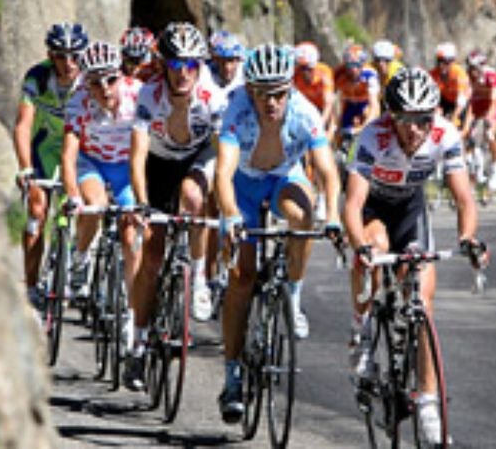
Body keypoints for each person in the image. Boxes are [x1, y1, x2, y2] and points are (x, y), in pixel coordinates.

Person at [343, 67, 484, 445]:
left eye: (423, 120)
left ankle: (427, 403)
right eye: (405, 120)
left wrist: (468, 238)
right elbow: (353, 205)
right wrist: (359, 247)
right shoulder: (371, 137)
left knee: (422, 303)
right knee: (377, 247)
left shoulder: (446, 135)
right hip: (373, 210)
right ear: (391, 115)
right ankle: (362, 329)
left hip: (410, 212)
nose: (415, 130)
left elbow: (464, 198)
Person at [214, 43, 342, 422]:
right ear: (250, 90)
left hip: (285, 177)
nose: (271, 102)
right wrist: (233, 215)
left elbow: (327, 171)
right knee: (242, 276)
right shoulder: (236, 109)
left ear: (290, 89)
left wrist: (332, 214)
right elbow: (222, 173)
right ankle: (233, 374)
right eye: (262, 93)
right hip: (244, 186)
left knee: (302, 219)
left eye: (279, 93)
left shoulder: (304, 112)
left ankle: (293, 291)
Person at [125, 22, 228, 390]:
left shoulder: (212, 96)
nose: (182, 73)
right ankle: (137, 343)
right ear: (163, 66)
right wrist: (141, 202)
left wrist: (224, 201)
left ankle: (198, 276)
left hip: (197, 157)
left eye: (190, 65)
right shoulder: (149, 95)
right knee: (151, 259)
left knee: (194, 198)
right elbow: (136, 157)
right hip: (158, 162)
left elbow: (224, 153)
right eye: (174, 66)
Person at [61, 41, 141, 315]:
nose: (104, 88)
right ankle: (81, 258)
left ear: (121, 74)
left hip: (127, 167)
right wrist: (73, 197)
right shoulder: (78, 100)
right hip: (91, 161)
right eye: (95, 83)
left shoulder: (138, 95)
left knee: (132, 235)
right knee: (94, 204)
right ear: (86, 82)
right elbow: (69, 155)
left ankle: (133, 312)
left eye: (111, 79)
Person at [13, 22, 88, 309]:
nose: (68, 63)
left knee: (82, 204)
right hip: (43, 148)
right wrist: (25, 170)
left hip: (79, 149)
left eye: (74, 55)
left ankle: (73, 261)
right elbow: (22, 126)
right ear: (50, 54)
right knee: (36, 212)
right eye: (60, 55)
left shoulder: (90, 77)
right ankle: (31, 286)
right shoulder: (38, 76)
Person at [294, 41, 337, 220]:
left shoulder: (324, 73)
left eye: (309, 68)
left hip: (323, 117)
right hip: (304, 115)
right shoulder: (294, 76)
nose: (306, 73)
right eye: (302, 68)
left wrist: (318, 126)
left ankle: (322, 197)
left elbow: (328, 105)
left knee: (318, 157)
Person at [462, 49, 496, 192]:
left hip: (495, 101)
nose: (471, 70)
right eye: (469, 67)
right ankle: (473, 175)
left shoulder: (490, 75)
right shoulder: (467, 76)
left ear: (481, 67)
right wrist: (466, 127)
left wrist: (489, 119)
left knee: (489, 133)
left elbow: (494, 101)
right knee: (468, 134)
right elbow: (468, 104)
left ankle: (495, 166)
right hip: (478, 101)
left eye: (473, 68)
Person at [334, 43, 381, 140]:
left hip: (365, 102)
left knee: (369, 114)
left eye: (357, 65)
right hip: (348, 103)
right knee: (340, 129)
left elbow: (375, 106)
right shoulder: (338, 73)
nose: (353, 69)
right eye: (350, 65)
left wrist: (361, 129)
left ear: (363, 65)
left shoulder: (370, 74)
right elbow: (332, 100)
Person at [429, 42, 471, 128]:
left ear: (452, 61)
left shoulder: (459, 73)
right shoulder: (433, 73)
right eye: (439, 61)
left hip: (461, 103)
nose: (441, 65)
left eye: (445, 62)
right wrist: (436, 108)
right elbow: (431, 94)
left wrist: (454, 116)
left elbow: (461, 100)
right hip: (445, 100)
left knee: (456, 125)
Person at [208, 30, 245, 96]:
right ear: (214, 59)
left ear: (238, 59)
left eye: (231, 60)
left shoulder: (246, 74)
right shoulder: (205, 73)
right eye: (222, 61)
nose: (227, 67)